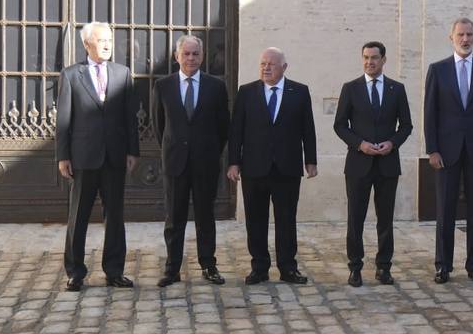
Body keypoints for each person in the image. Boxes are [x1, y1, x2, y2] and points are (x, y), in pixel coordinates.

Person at [57, 21, 140, 292]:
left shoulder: (122, 73)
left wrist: (132, 150)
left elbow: (130, 117)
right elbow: (64, 120)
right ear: (86, 44)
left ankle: (114, 270)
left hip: (115, 157)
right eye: (101, 40)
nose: (106, 45)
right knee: (78, 216)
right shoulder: (71, 75)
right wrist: (63, 156)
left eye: (109, 40)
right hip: (83, 157)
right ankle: (75, 272)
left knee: (115, 216)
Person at [227, 47, 318, 285]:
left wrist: (311, 160)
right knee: (255, 220)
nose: (266, 68)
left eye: (272, 64)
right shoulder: (246, 92)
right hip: (254, 168)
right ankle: (259, 267)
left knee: (286, 220)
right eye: (263, 64)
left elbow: (307, 128)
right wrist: (233, 162)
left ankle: (288, 268)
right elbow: (236, 130)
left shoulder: (299, 92)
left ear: (284, 67)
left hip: (287, 168)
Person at [424, 18, 473, 283]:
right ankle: (443, 265)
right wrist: (432, 149)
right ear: (451, 37)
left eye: (469, 34)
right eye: (460, 34)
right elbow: (429, 114)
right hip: (446, 152)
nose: (465, 39)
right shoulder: (438, 70)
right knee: (444, 210)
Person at [333, 41, 413, 288]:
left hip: (387, 164)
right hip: (358, 164)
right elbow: (340, 125)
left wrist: (392, 143)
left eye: (374, 58)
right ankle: (355, 267)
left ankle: (383, 267)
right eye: (366, 57)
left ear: (384, 60)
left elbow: (406, 125)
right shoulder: (351, 88)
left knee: (385, 219)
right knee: (355, 218)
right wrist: (360, 144)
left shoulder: (396, 89)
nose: (370, 62)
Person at [152, 35, 229, 287]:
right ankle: (172, 268)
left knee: (206, 216)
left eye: (195, 54)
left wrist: (210, 151)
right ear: (177, 56)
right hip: (175, 163)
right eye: (186, 54)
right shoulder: (163, 86)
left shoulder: (216, 87)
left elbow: (223, 127)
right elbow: (158, 126)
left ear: (202, 56)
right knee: (174, 218)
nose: (191, 58)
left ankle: (208, 265)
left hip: (205, 163)